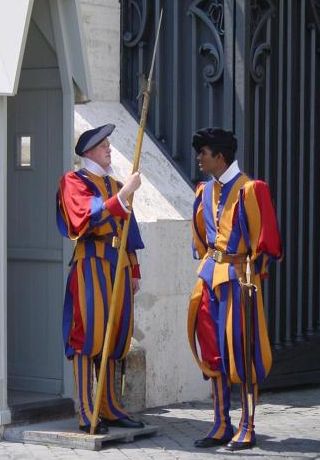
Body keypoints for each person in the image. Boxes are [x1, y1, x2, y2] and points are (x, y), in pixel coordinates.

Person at [188, 127, 282, 450]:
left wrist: (250, 277)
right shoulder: (203, 190)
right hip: (210, 278)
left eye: (204, 152)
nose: (199, 158)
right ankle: (221, 424)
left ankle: (247, 425)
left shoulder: (251, 190)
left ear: (220, 156)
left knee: (243, 351)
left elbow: (266, 242)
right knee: (213, 352)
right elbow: (199, 236)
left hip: (239, 279)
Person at [57, 123, 145, 434]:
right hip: (91, 264)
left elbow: (128, 232)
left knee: (116, 334)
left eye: (108, 143)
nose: (109, 148)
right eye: (104, 144)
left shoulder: (116, 184)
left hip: (117, 265)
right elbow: (89, 217)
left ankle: (109, 406)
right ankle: (85, 408)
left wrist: (133, 270)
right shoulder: (74, 181)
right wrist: (124, 195)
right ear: (89, 151)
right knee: (88, 335)